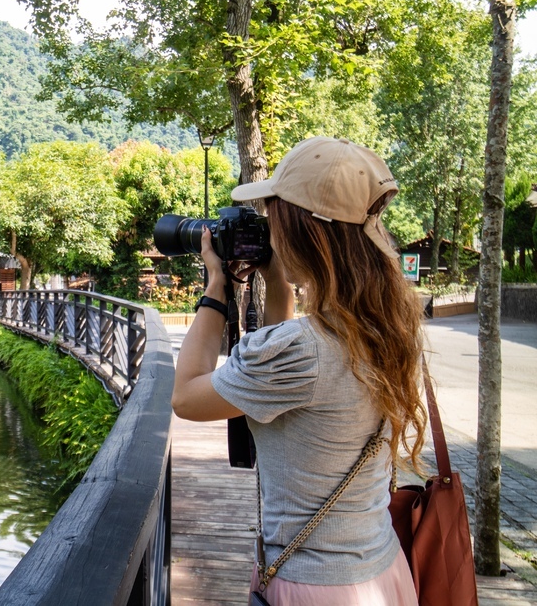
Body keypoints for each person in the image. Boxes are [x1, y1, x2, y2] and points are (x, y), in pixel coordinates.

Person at [172, 137, 426, 606]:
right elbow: (287, 375)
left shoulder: (299, 350)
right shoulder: (385, 326)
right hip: (383, 572)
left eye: (274, 219)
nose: (269, 233)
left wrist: (215, 288)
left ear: (302, 231)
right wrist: (275, 280)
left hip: (315, 587)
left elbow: (186, 397)